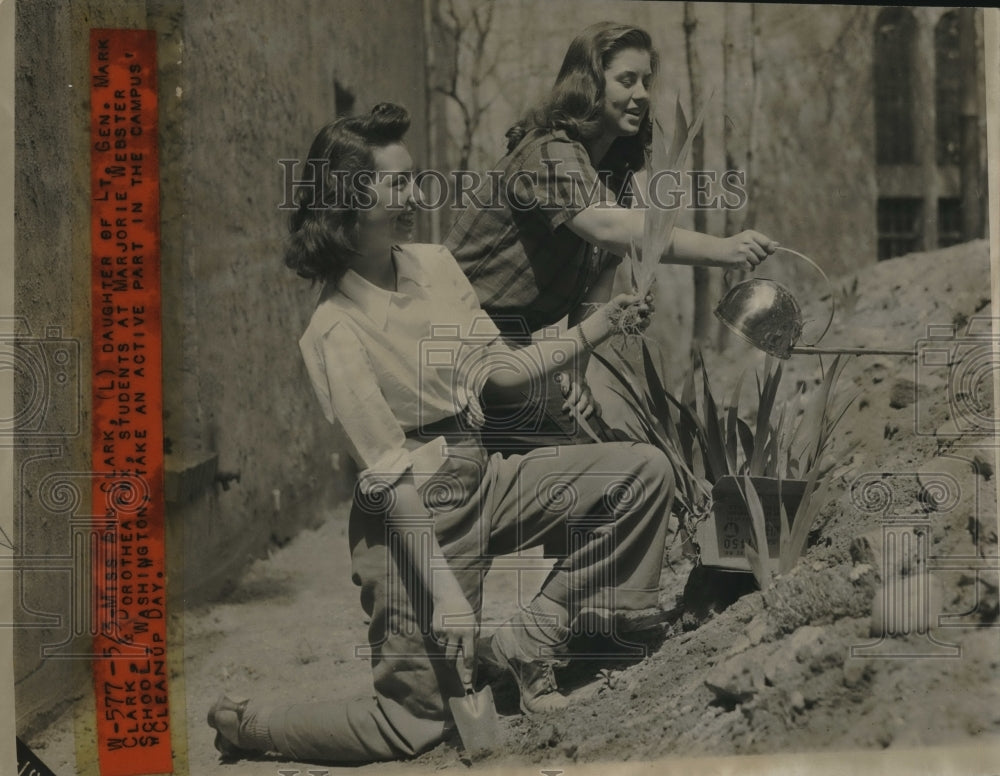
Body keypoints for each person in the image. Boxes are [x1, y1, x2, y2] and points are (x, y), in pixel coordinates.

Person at [206, 103, 675, 764]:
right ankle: (252, 726)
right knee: (417, 723)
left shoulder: (433, 264)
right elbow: (392, 482)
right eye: (395, 184)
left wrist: (599, 326)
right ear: (345, 201)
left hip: (483, 476)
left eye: (414, 179)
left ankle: (525, 642)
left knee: (642, 475)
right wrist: (450, 603)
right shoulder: (333, 331)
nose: (415, 196)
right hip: (413, 527)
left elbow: (501, 371)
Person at [444, 21, 778, 450]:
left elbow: (595, 287)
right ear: (589, 86)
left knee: (607, 443)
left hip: (515, 349)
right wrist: (723, 249)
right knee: (601, 462)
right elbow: (609, 228)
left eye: (646, 81)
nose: (641, 94)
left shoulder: (612, 175)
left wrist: (576, 374)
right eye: (627, 80)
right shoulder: (550, 151)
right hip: (459, 339)